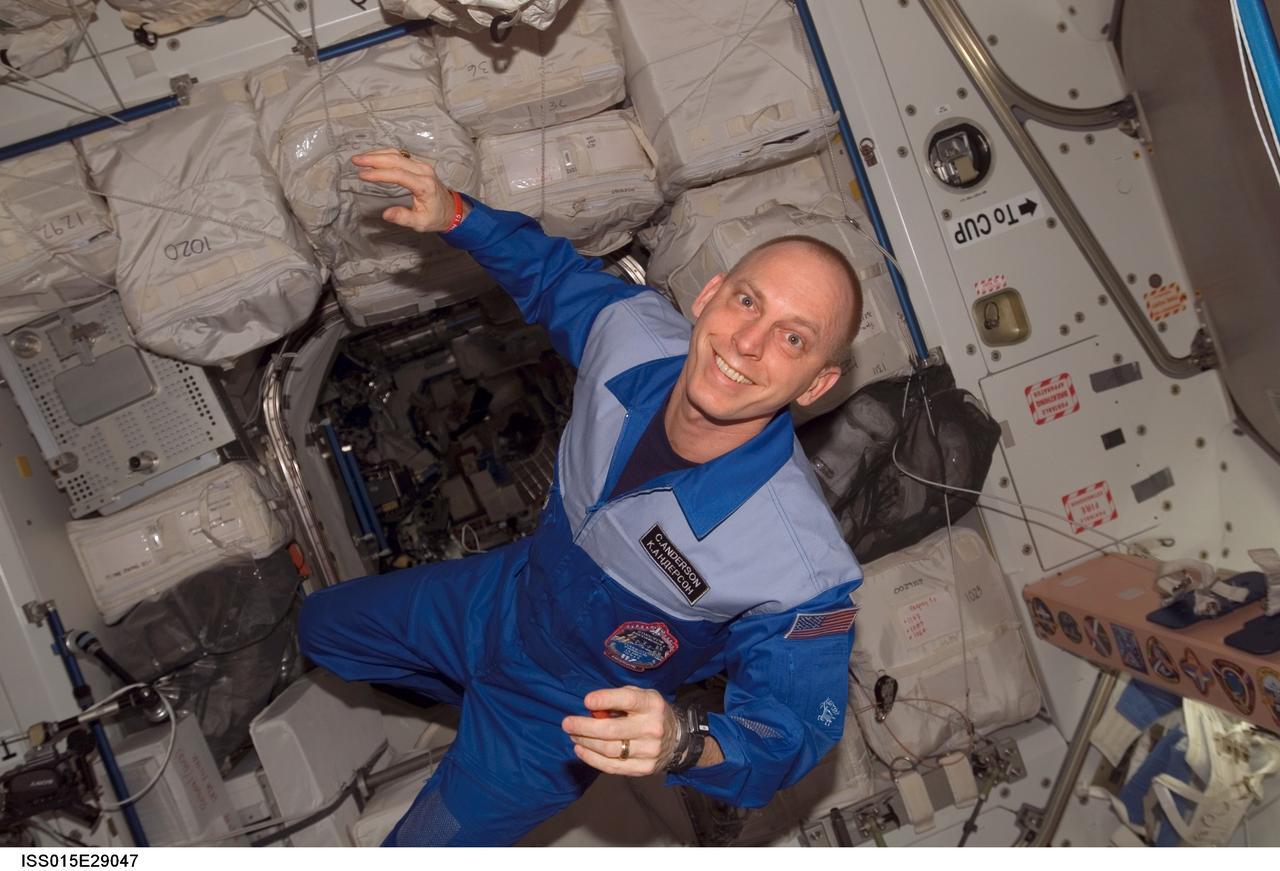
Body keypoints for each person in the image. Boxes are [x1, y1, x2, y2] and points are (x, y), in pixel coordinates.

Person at [297, 148, 866, 846]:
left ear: (815, 385)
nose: (748, 343)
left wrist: (685, 740)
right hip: (501, 596)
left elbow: (793, 734)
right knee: (320, 628)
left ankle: (483, 735)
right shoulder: (628, 334)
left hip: (562, 717)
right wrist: (456, 214)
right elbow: (550, 273)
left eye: (793, 338)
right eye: (748, 301)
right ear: (709, 294)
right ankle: (460, 693)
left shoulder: (799, 568)